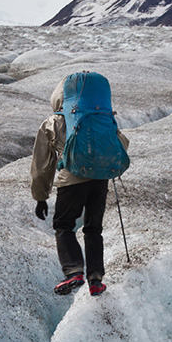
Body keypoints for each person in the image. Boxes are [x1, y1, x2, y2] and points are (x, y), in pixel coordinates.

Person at [30, 76, 129, 297]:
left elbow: (42, 164)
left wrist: (40, 196)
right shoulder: (101, 118)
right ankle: (96, 279)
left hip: (72, 181)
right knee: (94, 229)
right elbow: (121, 143)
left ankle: (74, 271)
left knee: (64, 225)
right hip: (100, 180)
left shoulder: (53, 122)